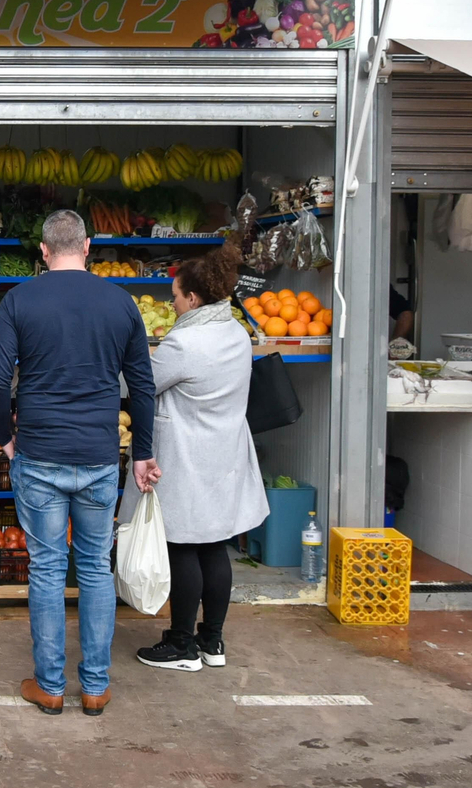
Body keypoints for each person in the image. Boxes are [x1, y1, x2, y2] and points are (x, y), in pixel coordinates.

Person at [0, 210, 157, 717]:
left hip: (38, 454)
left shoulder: (19, 299)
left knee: (46, 569)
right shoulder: (120, 302)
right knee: (95, 570)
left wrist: (7, 440)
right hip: (101, 457)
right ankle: (96, 688)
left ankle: (52, 686)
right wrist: (143, 451)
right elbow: (142, 387)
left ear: (43, 250)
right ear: (87, 247)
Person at [134, 245, 268, 673]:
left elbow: (144, 385)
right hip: (224, 454)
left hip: (187, 455)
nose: (171, 304)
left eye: (174, 296)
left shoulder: (186, 342)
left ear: (192, 298)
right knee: (214, 547)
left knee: (180, 546)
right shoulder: (235, 333)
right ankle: (212, 641)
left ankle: (180, 644)